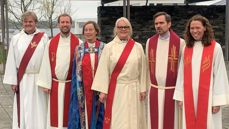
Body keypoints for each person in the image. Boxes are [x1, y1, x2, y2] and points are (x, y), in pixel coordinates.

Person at [173, 14, 229, 129]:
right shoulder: (186, 48)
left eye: (198, 28)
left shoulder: (215, 47)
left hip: (208, 98)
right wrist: (180, 96)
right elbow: (181, 74)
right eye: (192, 28)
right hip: (189, 97)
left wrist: (217, 101)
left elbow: (220, 75)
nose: (194, 31)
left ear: (205, 28)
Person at [91, 17, 147, 129]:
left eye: (126, 27)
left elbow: (143, 69)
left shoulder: (138, 47)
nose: (123, 29)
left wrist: (143, 88)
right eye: (120, 27)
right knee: (118, 119)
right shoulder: (109, 47)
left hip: (134, 88)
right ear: (116, 29)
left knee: (133, 118)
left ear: (130, 29)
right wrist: (103, 91)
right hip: (116, 90)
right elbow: (103, 69)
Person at [3, 11, 49, 129]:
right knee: (24, 106)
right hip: (23, 79)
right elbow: (11, 60)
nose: (28, 24)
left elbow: (47, 60)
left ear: (35, 23)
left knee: (39, 107)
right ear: (22, 23)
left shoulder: (43, 37)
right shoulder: (16, 39)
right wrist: (13, 81)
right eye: (25, 21)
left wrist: (47, 81)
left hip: (39, 79)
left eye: (30, 21)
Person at [37, 13, 80, 129]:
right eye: (62, 22)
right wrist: (46, 83)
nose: (65, 24)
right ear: (58, 24)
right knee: (54, 118)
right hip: (55, 84)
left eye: (67, 22)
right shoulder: (51, 43)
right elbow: (46, 63)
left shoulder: (79, 44)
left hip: (71, 86)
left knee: (69, 115)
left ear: (71, 24)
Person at [146, 12, 185, 129]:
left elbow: (183, 71)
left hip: (172, 91)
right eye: (156, 23)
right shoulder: (150, 42)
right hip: (154, 89)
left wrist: (181, 93)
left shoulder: (180, 43)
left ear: (169, 24)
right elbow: (147, 68)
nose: (158, 26)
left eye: (161, 23)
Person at [68, 21, 105, 129]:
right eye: (86, 30)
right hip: (83, 91)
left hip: (100, 91)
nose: (88, 32)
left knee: (100, 118)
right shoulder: (79, 49)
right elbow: (75, 72)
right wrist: (75, 91)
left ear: (96, 31)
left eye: (91, 29)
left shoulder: (104, 48)